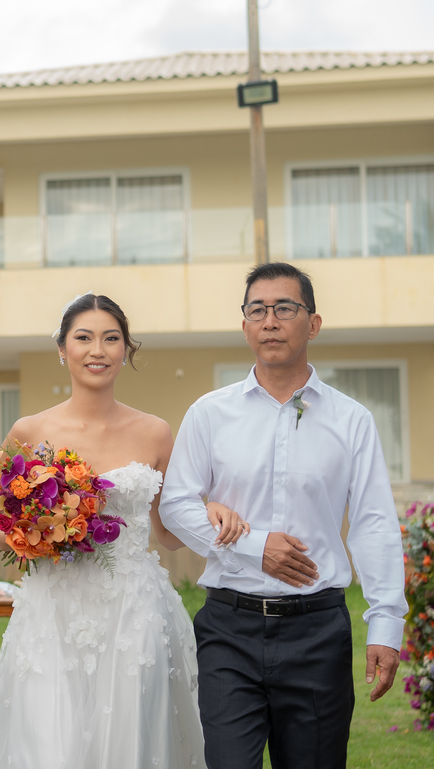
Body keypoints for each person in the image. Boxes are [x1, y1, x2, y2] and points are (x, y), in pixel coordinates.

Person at [0, 292, 247, 769]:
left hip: (132, 615)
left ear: (126, 351)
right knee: (48, 746)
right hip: (51, 614)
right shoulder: (29, 430)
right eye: (84, 338)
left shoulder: (157, 432)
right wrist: (19, 538)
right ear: (63, 349)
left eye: (111, 339)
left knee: (129, 745)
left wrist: (212, 508)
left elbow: (168, 530)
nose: (97, 349)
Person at [160, 262, 406, 769]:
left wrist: (385, 623)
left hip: (318, 632)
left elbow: (374, 523)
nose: (270, 320)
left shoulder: (351, 420)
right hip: (228, 630)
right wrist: (256, 549)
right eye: (258, 309)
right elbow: (176, 505)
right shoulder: (209, 413)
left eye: (285, 308)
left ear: (312, 323)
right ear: (245, 325)